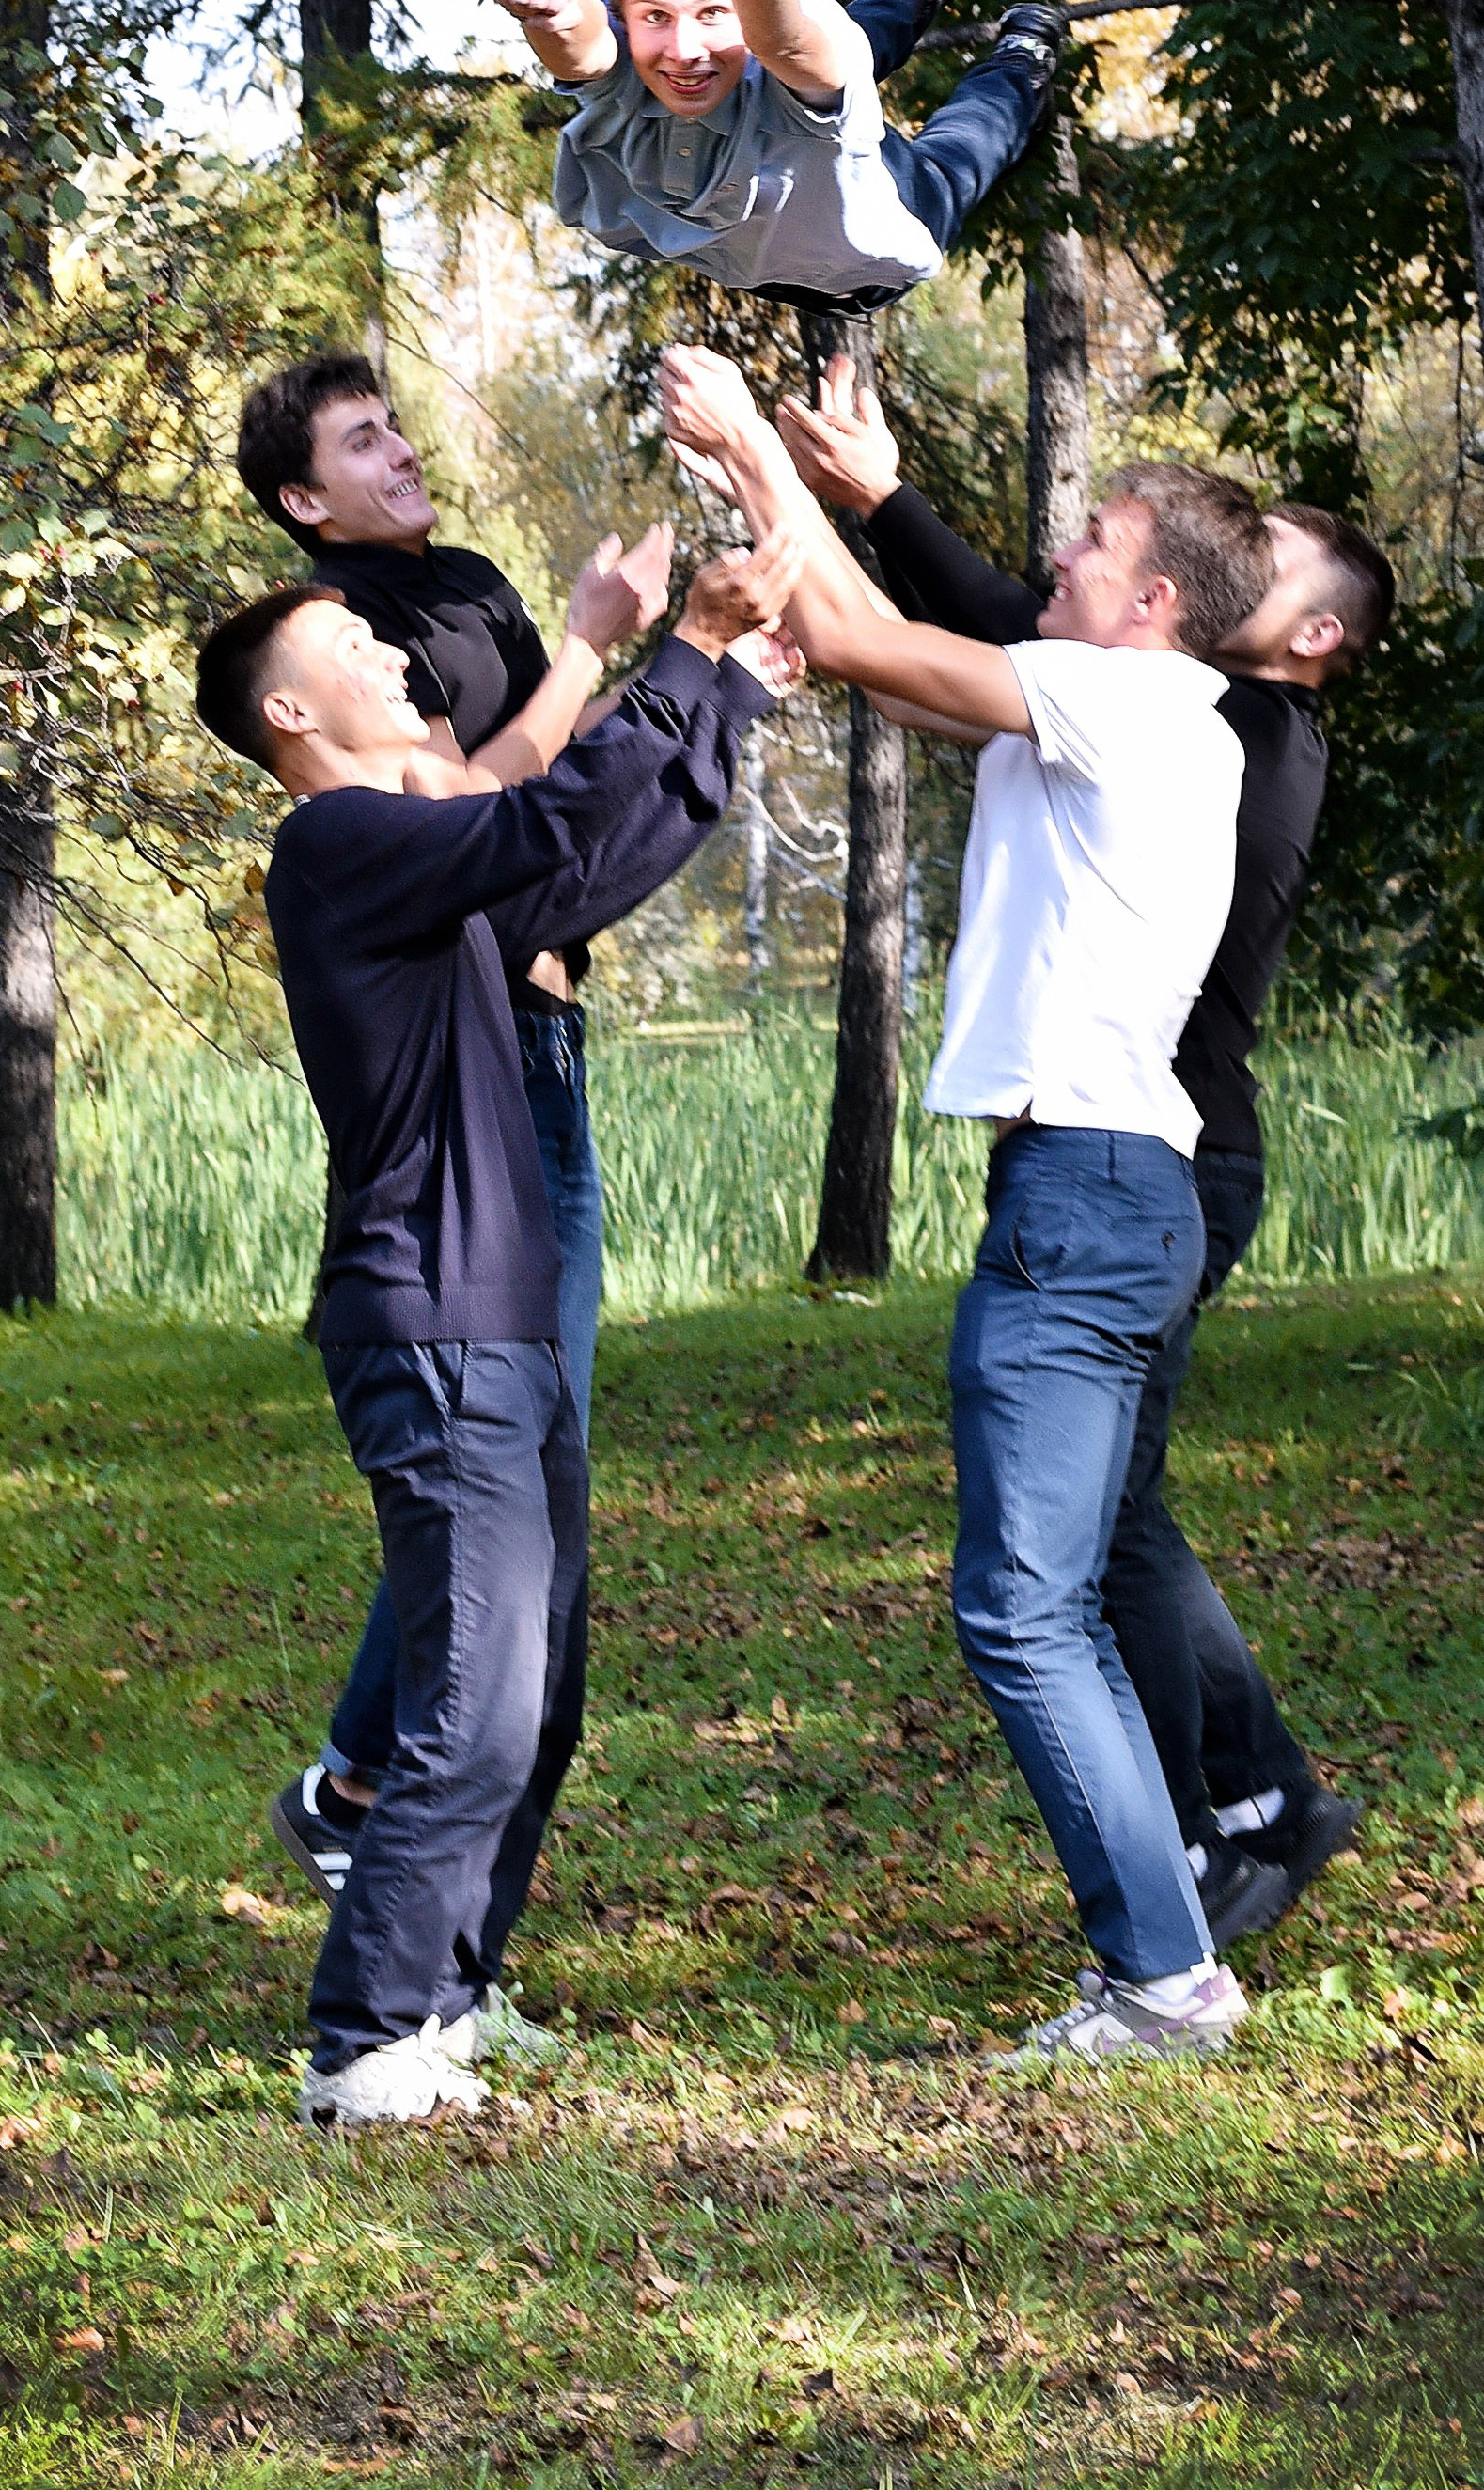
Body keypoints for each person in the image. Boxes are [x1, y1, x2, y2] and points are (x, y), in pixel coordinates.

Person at [660, 342, 1273, 2064]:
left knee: (1021, 1606)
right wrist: (829, 497)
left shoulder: (1139, 704)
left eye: (1091, 542)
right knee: (1049, 1599)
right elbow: (888, 658)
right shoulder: (1112, 710)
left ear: (1154, 603)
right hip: (1101, 1188)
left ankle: (1165, 1979)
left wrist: (749, 458)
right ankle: (1170, 1960)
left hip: (1088, 1193)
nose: (1056, 555)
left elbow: (867, 644)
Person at [776, 358, 1396, 1939]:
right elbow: (953, 657)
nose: (1233, 567)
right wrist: (860, 508)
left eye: (1264, 563)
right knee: (1102, 1531)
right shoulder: (1173, 699)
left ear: (1288, 631)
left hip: (1143, 1162)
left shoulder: (1212, 713)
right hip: (1124, 1162)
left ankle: (1194, 1851)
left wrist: (817, 489)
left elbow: (973, 636)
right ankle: (1242, 1812)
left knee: (1065, 1567)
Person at [192, 538, 799, 2128]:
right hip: (435, 1326)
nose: (395, 659)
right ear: (289, 712)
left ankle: (444, 2002)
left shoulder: (417, 855)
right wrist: (684, 652)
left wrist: (723, 693)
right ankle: (364, 2041)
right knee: (472, 1698)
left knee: (536, 1692)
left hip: (503, 1326)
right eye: (354, 651)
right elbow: (541, 819)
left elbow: (582, 866)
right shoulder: (335, 841)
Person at [233, 351, 673, 1905]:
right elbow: (469, 807)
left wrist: (693, 686)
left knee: (541, 1457)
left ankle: (371, 1787)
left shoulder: (469, 585)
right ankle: (369, 1787)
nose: (401, 451)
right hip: (479, 1059)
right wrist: (591, 645)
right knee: (513, 1465)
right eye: (362, 442)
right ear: (305, 501)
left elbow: (557, 777)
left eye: (397, 425)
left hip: (547, 1034)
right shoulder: (349, 637)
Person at [488, 0, 1062, 306]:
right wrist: (551, 18)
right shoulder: (627, 54)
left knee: (950, 142)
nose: (683, 53)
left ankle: (1019, 60)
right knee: (846, 46)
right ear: (624, 9)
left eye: (713, 13)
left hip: (877, 227)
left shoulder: (773, 34)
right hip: (768, 231)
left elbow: (783, 42)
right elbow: (583, 49)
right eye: (656, 16)